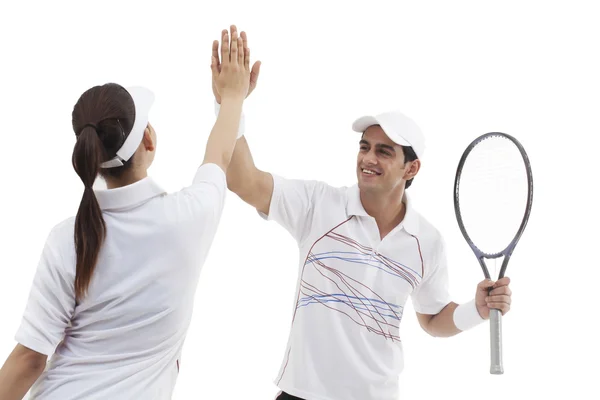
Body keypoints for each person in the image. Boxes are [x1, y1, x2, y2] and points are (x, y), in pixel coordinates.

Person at [213, 26, 513, 400]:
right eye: (365, 147)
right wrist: (230, 103)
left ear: (411, 168)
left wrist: (477, 310)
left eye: (384, 152)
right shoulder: (317, 205)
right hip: (300, 394)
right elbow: (242, 180)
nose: (368, 159)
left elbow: (433, 318)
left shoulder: (427, 242)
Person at [0, 27, 251, 400]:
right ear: (148, 139)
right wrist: (231, 97)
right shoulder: (190, 216)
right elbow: (220, 155)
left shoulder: (67, 239)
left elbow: (29, 361)